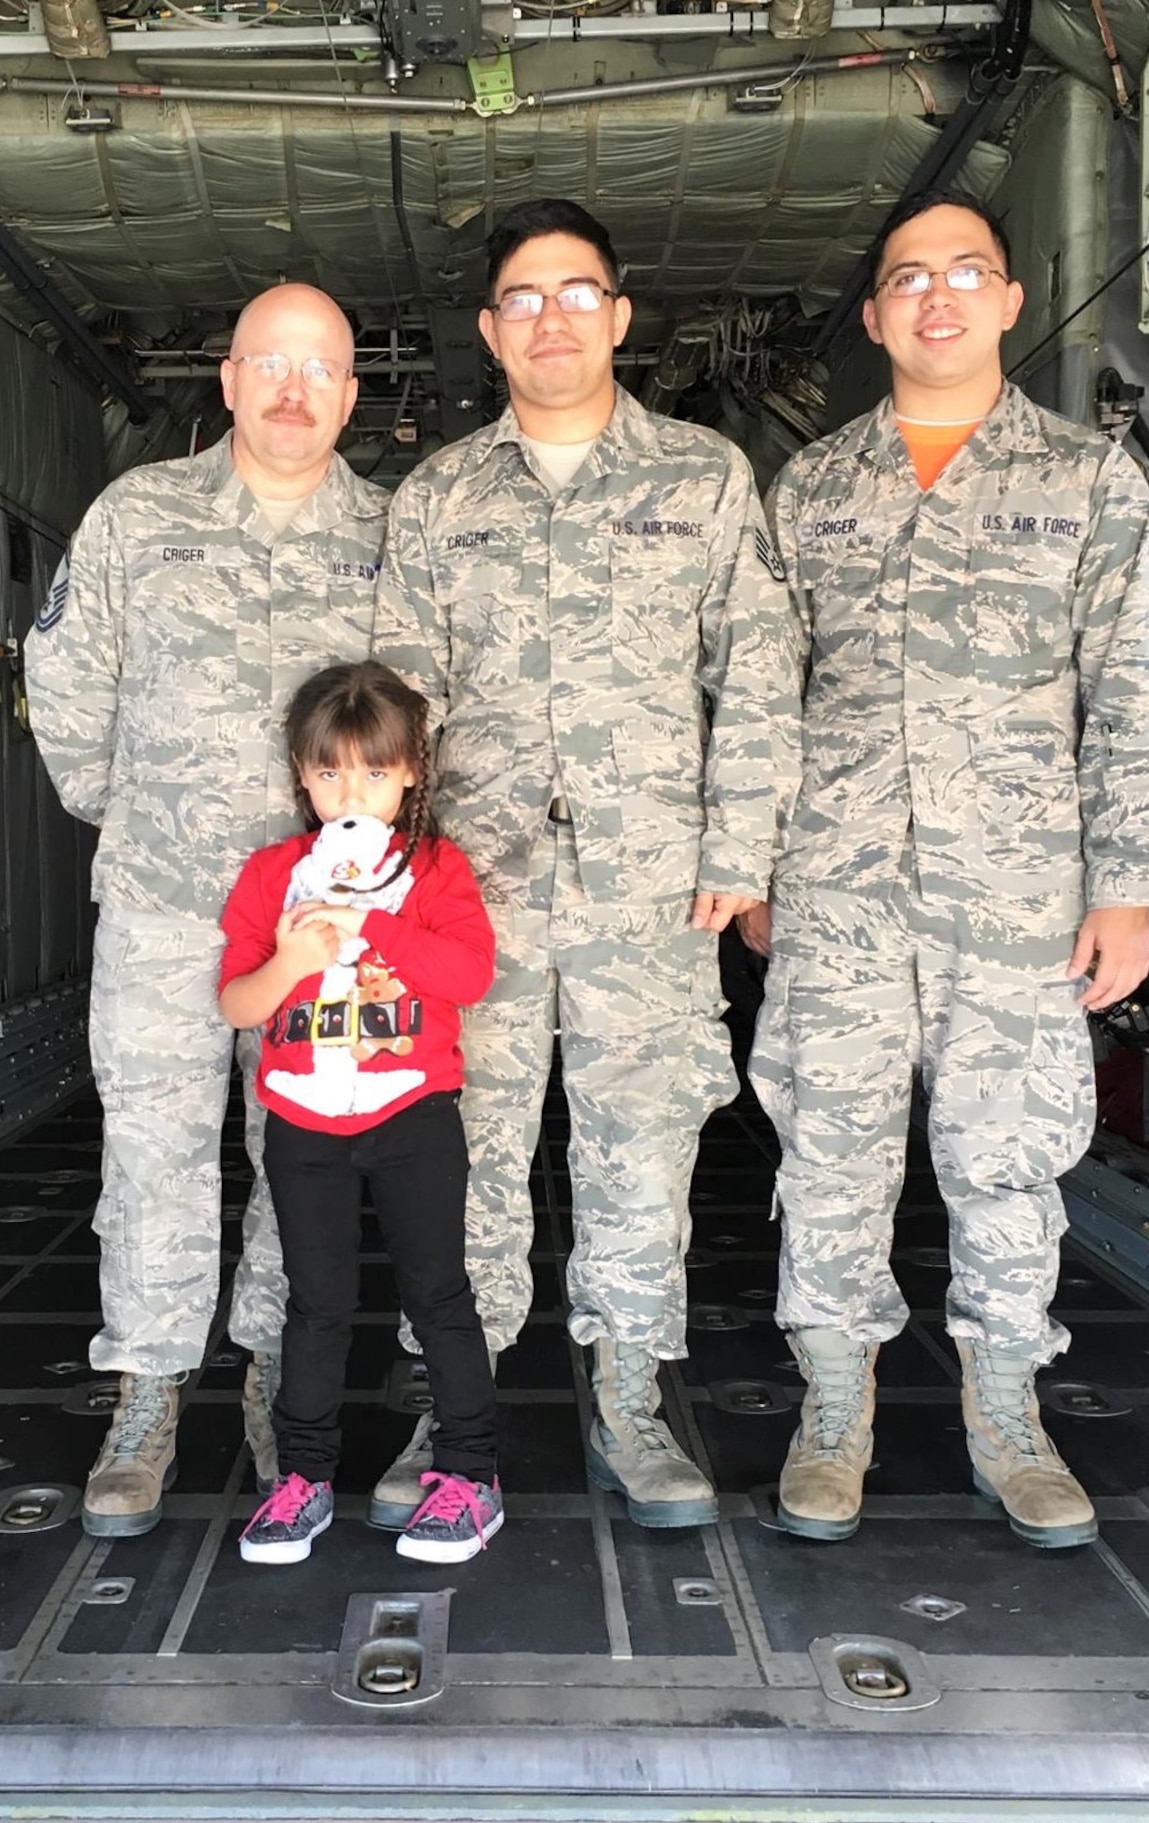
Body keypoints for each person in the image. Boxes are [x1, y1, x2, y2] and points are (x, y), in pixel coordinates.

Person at [744, 190, 1149, 1550]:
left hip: (1016, 897)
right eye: (905, 278)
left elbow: (1129, 689)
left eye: (966, 273)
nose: (934, 298)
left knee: (1004, 1160)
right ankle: (834, 1412)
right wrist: (750, 867)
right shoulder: (811, 488)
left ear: (1006, 300)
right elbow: (760, 695)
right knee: (827, 1155)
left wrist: (1127, 884)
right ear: (873, 313)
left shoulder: (1081, 480)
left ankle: (1006, 1414)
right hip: (833, 890)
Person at [373, 198, 802, 1530]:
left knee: (640, 1153)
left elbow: (760, 670)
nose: (549, 318)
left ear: (616, 318)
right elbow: (399, 693)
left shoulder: (703, 478)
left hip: (648, 890)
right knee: (461, 1156)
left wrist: (740, 849)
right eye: (521, 298)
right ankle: (455, 1421)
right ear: (490, 331)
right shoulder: (439, 496)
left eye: (576, 294)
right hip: (474, 896)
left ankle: (629, 1403)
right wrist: (385, 869)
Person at [25, 283, 390, 1537]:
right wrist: (126, 809)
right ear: (228, 381)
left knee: (301, 1155)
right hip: (170, 905)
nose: (294, 388)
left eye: (321, 369)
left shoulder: (391, 538)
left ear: (351, 394)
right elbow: (66, 680)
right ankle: (148, 1388)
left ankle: (276, 1382)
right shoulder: (141, 516)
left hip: (325, 917)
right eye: (269, 364)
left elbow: (418, 713)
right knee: (153, 1147)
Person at [219, 662, 501, 1565]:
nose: (351, 790)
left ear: (412, 770)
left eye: (374, 772)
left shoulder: (435, 869)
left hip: (411, 1112)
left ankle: (470, 1475)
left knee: (438, 1294)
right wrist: (294, 958)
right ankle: (300, 1480)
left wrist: (374, 924)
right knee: (317, 1304)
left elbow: (469, 977)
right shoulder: (271, 877)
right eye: (331, 771)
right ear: (301, 774)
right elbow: (239, 1004)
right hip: (304, 1121)